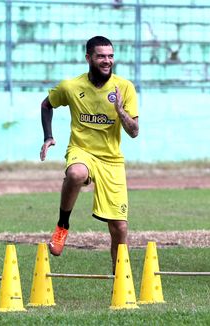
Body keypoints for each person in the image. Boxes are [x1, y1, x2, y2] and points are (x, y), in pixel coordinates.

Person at [40, 36, 139, 272]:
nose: (107, 61)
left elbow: (134, 131)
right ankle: (62, 226)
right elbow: (47, 104)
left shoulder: (124, 88)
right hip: (81, 150)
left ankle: (120, 280)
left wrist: (121, 111)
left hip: (111, 159)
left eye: (111, 56)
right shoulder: (71, 87)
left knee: (120, 228)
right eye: (101, 56)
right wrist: (48, 136)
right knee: (75, 173)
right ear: (88, 58)